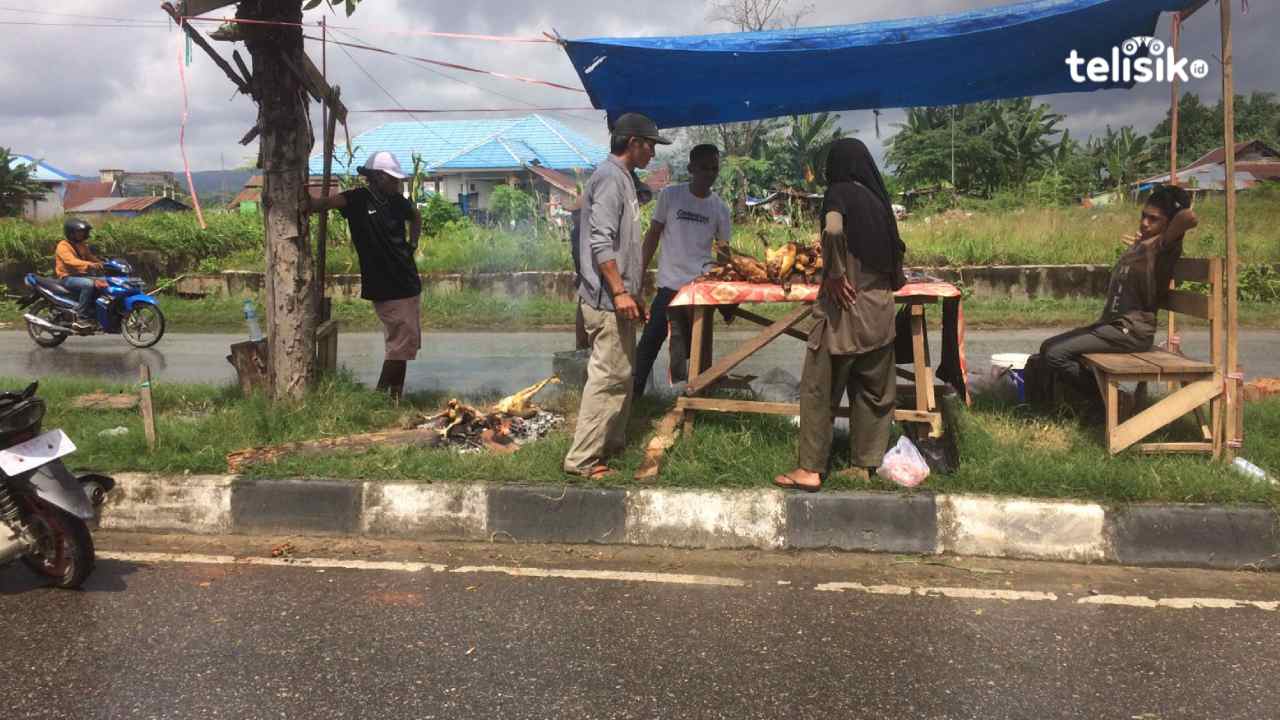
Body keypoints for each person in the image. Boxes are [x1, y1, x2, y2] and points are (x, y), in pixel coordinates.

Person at [775, 138, 906, 493]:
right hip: (879, 312)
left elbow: (833, 229)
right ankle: (863, 465)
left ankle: (811, 470)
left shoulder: (839, 193)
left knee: (819, 389)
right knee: (873, 392)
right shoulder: (880, 204)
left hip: (844, 313)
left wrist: (834, 272)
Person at [563, 113, 670, 479]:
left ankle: (610, 445)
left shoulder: (622, 178)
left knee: (622, 374)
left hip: (619, 297)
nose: (653, 153)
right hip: (607, 300)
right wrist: (620, 290)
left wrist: (632, 292)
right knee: (608, 377)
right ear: (633, 143)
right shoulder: (610, 178)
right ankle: (582, 460)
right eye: (650, 145)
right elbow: (600, 241)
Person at [1038, 184, 1196, 409]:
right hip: (1114, 327)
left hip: (1130, 332)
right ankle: (1086, 402)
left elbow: (1189, 216)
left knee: (1056, 354)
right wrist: (1141, 245)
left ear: (1170, 225)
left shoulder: (1164, 247)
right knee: (1048, 348)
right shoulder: (1146, 247)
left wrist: (1167, 226)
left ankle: (1116, 403)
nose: (1144, 223)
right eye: (1143, 216)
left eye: (1154, 219)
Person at [309, 151, 423, 399]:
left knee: (402, 345)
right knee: (399, 345)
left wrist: (412, 245)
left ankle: (394, 398)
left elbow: (416, 216)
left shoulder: (397, 201)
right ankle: (381, 397)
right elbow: (323, 204)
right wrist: (302, 201)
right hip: (385, 284)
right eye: (393, 179)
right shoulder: (357, 199)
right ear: (379, 177)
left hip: (407, 281)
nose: (397, 184)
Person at [633, 144, 731, 396]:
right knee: (649, 345)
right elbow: (653, 235)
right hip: (669, 286)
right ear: (691, 168)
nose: (709, 173)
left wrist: (727, 279)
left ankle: (696, 399)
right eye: (704, 167)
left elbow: (723, 252)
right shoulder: (671, 196)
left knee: (696, 349)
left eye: (714, 168)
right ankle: (632, 398)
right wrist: (639, 273)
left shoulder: (720, 208)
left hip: (701, 288)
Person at [54, 218, 105, 331]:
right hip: (67, 278)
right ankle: (81, 317)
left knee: (103, 282)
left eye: (82, 232)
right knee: (88, 284)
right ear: (71, 233)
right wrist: (89, 264)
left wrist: (102, 263)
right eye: (78, 232)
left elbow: (91, 257)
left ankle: (95, 313)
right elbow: (70, 261)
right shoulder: (63, 246)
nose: (81, 234)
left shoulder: (82, 245)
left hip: (80, 276)